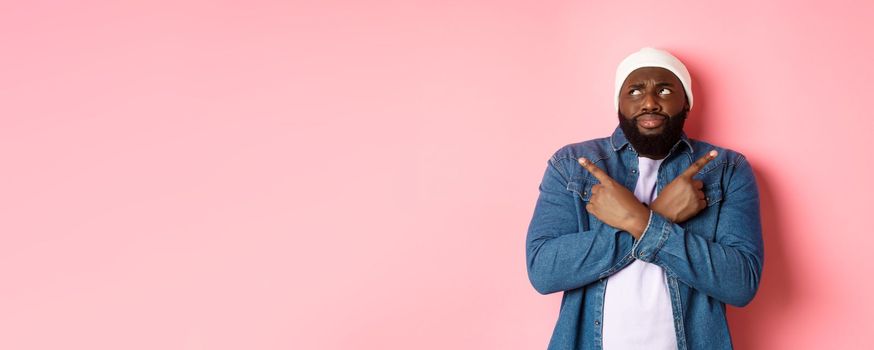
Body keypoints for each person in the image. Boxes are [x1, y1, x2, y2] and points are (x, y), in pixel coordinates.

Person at [525, 47, 764, 350]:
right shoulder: (572, 164)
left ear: (686, 102)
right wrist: (658, 215)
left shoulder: (727, 169)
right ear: (619, 104)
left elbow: (740, 283)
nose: (649, 102)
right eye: (635, 91)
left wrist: (639, 220)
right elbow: (544, 271)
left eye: (664, 89)